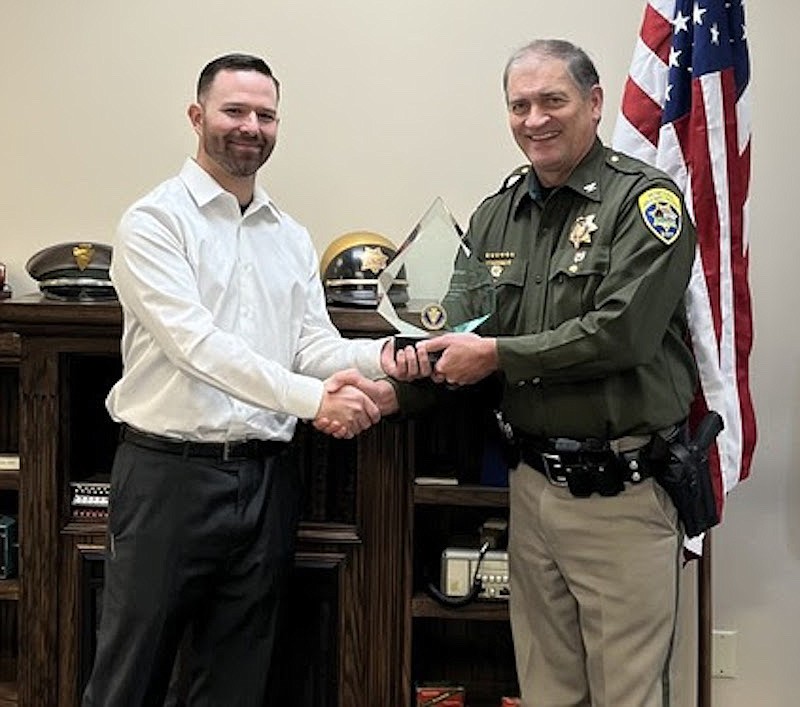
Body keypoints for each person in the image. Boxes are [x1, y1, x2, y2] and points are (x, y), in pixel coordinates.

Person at [81, 53, 414, 707]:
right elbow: (197, 347)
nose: (251, 126)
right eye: (235, 110)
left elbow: (310, 344)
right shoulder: (154, 223)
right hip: (167, 481)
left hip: (265, 483)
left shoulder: (289, 235)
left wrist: (395, 359)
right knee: (129, 678)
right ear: (197, 115)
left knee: (234, 683)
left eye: (265, 114)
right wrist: (315, 400)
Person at [387, 40, 699, 706]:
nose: (535, 119)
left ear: (593, 103)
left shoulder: (644, 203)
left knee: (628, 693)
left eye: (552, 100)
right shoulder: (498, 213)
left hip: (621, 494)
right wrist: (398, 370)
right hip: (530, 492)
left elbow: (622, 334)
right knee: (547, 688)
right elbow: (460, 326)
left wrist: (496, 356)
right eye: (519, 105)